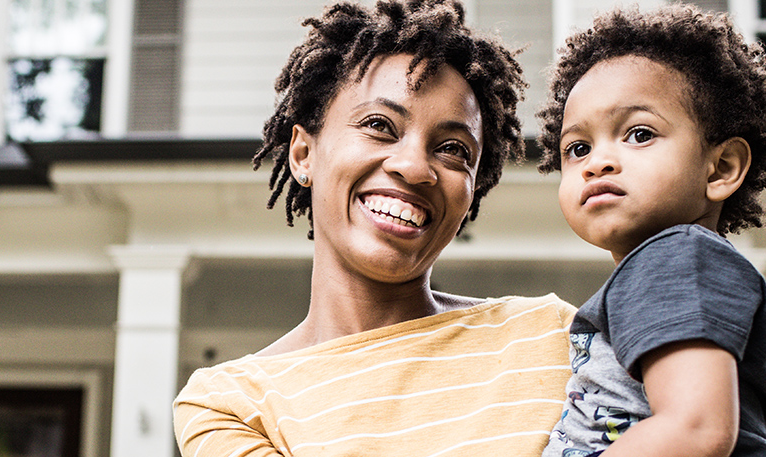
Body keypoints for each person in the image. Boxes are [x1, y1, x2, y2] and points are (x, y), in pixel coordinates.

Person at [173, 1, 577, 455]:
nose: (414, 166)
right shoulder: (230, 403)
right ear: (304, 155)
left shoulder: (551, 335)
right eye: (379, 125)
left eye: (453, 149)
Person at [535, 5, 766, 457]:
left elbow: (694, 429)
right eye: (577, 148)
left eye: (638, 134)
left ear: (721, 168)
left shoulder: (677, 257)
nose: (597, 162)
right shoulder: (662, 268)